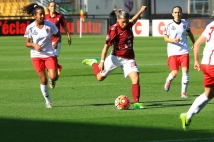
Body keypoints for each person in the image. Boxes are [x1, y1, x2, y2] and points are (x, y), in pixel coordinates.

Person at [82, 6, 147, 110]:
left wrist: (140, 11)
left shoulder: (129, 25)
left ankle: (137, 103)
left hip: (129, 59)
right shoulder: (113, 30)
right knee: (99, 78)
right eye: (123, 22)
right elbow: (106, 46)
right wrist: (102, 61)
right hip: (115, 57)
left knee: (136, 77)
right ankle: (94, 62)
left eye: (126, 22)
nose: (125, 24)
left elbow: (134, 19)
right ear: (118, 20)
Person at [22, 3, 60, 108]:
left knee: (54, 77)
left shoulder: (50, 25)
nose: (43, 16)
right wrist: (33, 44)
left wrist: (56, 41)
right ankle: (48, 102)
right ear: (35, 15)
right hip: (36, 55)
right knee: (43, 80)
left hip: (49, 53)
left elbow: (58, 35)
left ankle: (52, 79)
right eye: (40, 14)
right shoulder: (30, 27)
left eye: (43, 14)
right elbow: (27, 43)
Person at [180, 21, 214, 130]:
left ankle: (187, 116)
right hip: (213, 65)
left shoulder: (211, 24)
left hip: (205, 64)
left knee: (208, 94)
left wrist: (196, 61)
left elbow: (197, 43)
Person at [163, 6, 195, 98]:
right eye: (175, 12)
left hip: (184, 51)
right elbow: (165, 38)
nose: (177, 14)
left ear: (181, 13)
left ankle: (183, 93)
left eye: (179, 12)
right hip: (173, 53)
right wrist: (173, 40)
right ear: (172, 14)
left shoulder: (185, 24)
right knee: (174, 73)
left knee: (185, 71)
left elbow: (189, 33)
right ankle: (168, 80)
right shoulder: (169, 25)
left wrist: (194, 43)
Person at [45, 1, 71, 76]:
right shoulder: (45, 17)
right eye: (52, 6)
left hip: (57, 39)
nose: (53, 8)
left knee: (53, 56)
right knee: (49, 57)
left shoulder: (59, 16)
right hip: (48, 40)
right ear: (48, 7)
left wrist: (68, 36)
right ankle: (57, 67)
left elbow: (64, 26)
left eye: (54, 6)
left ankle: (52, 71)